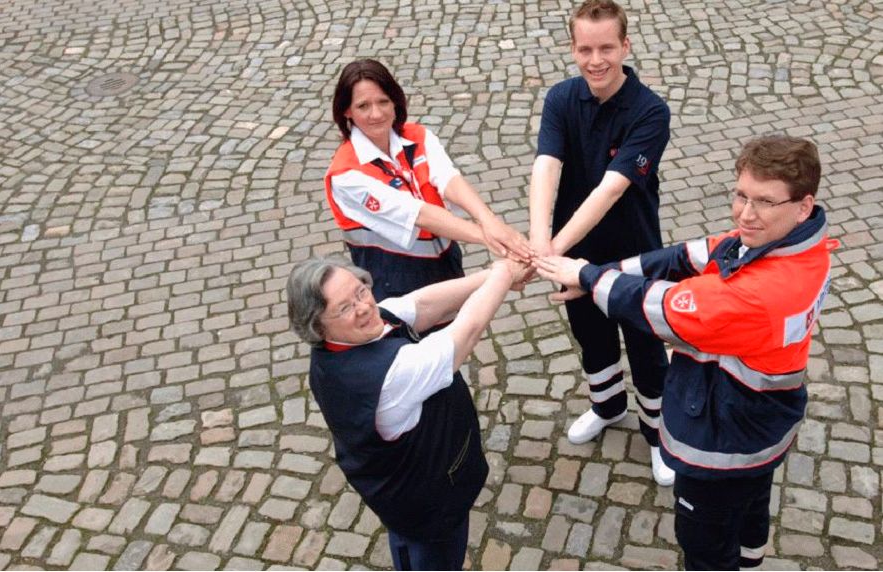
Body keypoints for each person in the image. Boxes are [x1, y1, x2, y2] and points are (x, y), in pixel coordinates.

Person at [535, 135, 832, 570]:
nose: (745, 215)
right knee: (750, 516)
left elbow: (659, 307)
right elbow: (694, 254)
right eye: (741, 195)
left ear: (802, 206)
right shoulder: (797, 244)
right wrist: (607, 273)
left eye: (764, 202)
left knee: (706, 546)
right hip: (762, 427)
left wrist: (585, 273)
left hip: (722, 439)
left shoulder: (763, 291)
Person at [287, 255, 529, 570]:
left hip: (397, 490)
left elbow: (421, 305)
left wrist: (495, 276)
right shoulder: (389, 375)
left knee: (407, 542)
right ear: (318, 326)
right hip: (429, 503)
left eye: (361, 291)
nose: (363, 307)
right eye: (344, 308)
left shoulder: (344, 342)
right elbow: (466, 332)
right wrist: (504, 273)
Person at [527, 0, 673, 484]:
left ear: (625, 46)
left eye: (606, 48)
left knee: (646, 347)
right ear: (572, 48)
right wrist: (539, 239)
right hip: (574, 255)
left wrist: (548, 254)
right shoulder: (562, 98)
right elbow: (546, 166)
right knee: (591, 337)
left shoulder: (650, 111)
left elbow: (610, 189)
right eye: (585, 49)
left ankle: (659, 436)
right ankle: (607, 405)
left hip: (634, 256)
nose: (596, 60)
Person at [325, 58, 531, 301]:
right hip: (394, 285)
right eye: (363, 106)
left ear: (395, 101)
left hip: (446, 265)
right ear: (347, 111)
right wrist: (493, 239)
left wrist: (490, 221)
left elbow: (448, 179)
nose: (377, 114)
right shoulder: (345, 175)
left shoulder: (418, 136)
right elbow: (417, 214)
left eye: (383, 102)